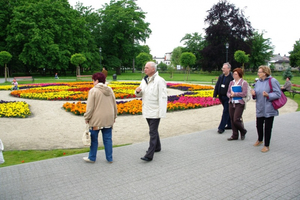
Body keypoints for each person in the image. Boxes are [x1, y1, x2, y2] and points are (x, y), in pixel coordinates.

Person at [135, 61, 167, 162]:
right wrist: (137, 91)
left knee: (152, 132)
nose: (145, 69)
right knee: (153, 130)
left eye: (147, 68)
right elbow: (140, 94)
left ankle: (149, 154)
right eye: (145, 68)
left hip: (155, 111)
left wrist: (161, 113)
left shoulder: (159, 81)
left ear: (153, 69)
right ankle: (157, 147)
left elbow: (163, 97)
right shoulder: (144, 80)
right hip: (147, 110)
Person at [83, 72, 117, 163]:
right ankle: (109, 158)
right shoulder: (110, 90)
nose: (93, 82)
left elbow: (90, 107)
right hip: (108, 118)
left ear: (97, 81)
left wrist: (86, 118)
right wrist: (114, 116)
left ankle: (92, 157)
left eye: (93, 80)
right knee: (108, 139)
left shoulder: (93, 91)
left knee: (94, 139)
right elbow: (114, 105)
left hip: (96, 119)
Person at [251, 65, 281, 153]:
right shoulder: (258, 82)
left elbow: (278, 94)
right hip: (260, 107)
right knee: (258, 125)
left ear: (265, 73)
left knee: (268, 127)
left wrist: (269, 95)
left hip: (269, 108)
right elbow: (256, 93)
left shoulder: (273, 81)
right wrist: (254, 94)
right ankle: (260, 139)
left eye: (259, 72)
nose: (258, 73)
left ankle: (266, 145)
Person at [226, 68, 248, 141]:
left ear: (239, 74)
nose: (234, 75)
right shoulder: (231, 82)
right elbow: (228, 92)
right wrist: (230, 95)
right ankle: (234, 135)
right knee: (232, 119)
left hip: (239, 103)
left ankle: (243, 130)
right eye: (233, 74)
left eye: (235, 74)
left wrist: (235, 94)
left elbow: (244, 93)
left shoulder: (243, 83)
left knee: (236, 119)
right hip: (232, 102)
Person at [213, 62, 233, 133]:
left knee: (225, 111)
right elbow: (217, 85)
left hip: (228, 97)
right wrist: (215, 95)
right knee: (227, 111)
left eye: (224, 68)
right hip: (221, 97)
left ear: (229, 69)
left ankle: (221, 128)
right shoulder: (221, 76)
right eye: (222, 68)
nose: (223, 69)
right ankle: (230, 124)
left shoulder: (232, 77)